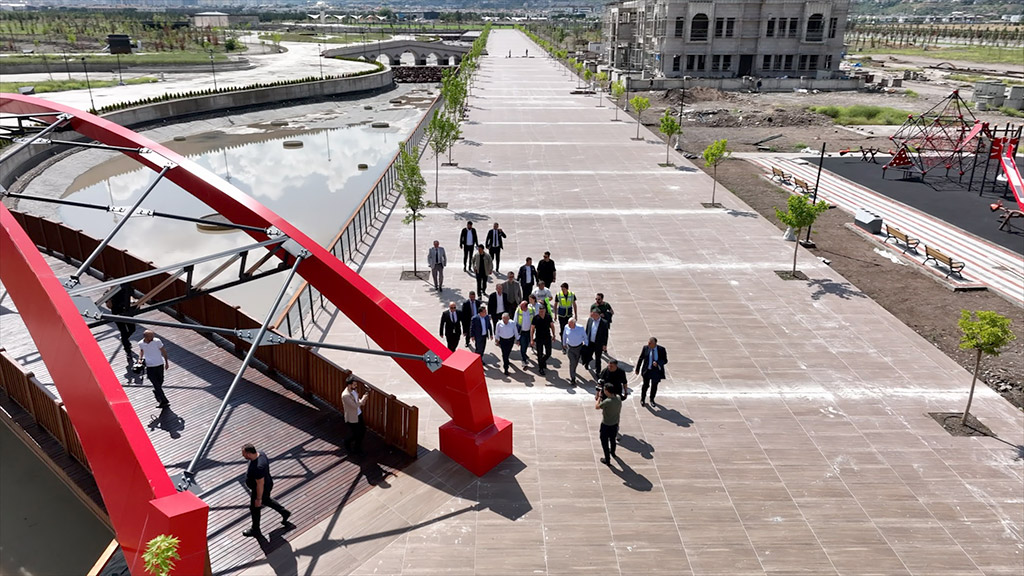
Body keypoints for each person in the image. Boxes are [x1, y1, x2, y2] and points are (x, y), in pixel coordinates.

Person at [242, 443, 291, 538]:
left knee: (255, 508)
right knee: (267, 500)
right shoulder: (261, 454)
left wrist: (258, 498)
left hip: (260, 489)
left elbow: (260, 484)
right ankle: (284, 512)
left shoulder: (258, 468)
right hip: (268, 484)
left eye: (244, 454)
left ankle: (255, 529)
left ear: (248, 453)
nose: (243, 455)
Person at [138, 330, 170, 409]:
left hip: (159, 364)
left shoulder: (157, 341)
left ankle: (157, 392)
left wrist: (166, 362)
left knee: (160, 381)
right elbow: (142, 350)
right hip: (150, 366)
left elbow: (163, 351)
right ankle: (164, 400)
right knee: (156, 384)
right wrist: (140, 358)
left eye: (153, 336)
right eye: (151, 337)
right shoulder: (141, 343)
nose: (152, 338)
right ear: (145, 337)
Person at [635, 337, 668, 407]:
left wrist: (658, 363)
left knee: (654, 386)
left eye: (650, 343)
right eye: (648, 343)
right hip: (647, 370)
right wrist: (637, 369)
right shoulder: (645, 348)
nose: (648, 344)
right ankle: (642, 399)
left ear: (654, 343)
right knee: (645, 385)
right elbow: (641, 358)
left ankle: (652, 399)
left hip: (656, 371)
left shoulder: (661, 350)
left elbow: (665, 360)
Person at [595, 383, 621, 466]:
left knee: (604, 442)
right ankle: (613, 452)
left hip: (606, 424)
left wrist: (599, 397)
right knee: (612, 439)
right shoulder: (618, 398)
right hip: (615, 423)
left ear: (607, 391)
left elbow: (597, 407)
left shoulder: (607, 402)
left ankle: (607, 459)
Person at [108, 282, 135, 363]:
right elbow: (109, 306)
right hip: (117, 314)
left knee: (132, 329)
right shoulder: (109, 293)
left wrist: (133, 301)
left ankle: (124, 340)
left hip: (126, 312)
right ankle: (128, 350)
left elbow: (131, 296)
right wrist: (109, 298)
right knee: (123, 331)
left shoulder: (124, 290)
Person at [342, 379, 367, 455]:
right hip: (352, 417)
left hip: (359, 414)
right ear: (349, 385)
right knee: (356, 433)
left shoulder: (354, 390)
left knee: (362, 430)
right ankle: (347, 442)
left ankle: (357, 447)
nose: (356, 386)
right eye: (354, 384)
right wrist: (363, 399)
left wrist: (362, 400)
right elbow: (355, 405)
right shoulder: (345, 395)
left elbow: (357, 400)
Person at [561, 317, 588, 386]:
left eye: (570, 324)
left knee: (576, 362)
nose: (569, 325)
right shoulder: (566, 327)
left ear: (574, 323)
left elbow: (585, 336)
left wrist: (586, 345)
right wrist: (563, 344)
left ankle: (573, 371)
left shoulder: (580, 328)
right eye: (568, 324)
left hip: (579, 348)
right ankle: (573, 378)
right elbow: (564, 335)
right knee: (572, 362)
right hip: (570, 348)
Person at [529, 305, 555, 376]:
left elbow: (552, 325)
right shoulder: (535, 318)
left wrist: (554, 335)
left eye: (543, 311)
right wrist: (531, 339)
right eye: (540, 311)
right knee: (539, 354)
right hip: (539, 338)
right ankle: (541, 368)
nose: (541, 313)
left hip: (547, 337)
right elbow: (532, 329)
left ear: (545, 311)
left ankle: (542, 361)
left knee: (548, 353)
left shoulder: (548, 317)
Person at [583, 311, 609, 375]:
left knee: (598, 358)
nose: (591, 315)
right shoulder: (590, 320)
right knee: (588, 355)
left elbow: (605, 335)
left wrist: (604, 345)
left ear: (598, 315)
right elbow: (587, 330)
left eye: (593, 314)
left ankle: (598, 371)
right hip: (590, 342)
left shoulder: (604, 323)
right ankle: (587, 364)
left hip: (598, 344)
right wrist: (585, 340)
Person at [514, 300, 535, 369]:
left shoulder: (531, 310)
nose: (520, 307)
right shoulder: (518, 311)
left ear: (526, 307)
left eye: (522, 307)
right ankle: (523, 359)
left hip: (529, 331)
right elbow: (515, 321)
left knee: (527, 344)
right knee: (523, 345)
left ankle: (524, 354)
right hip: (521, 332)